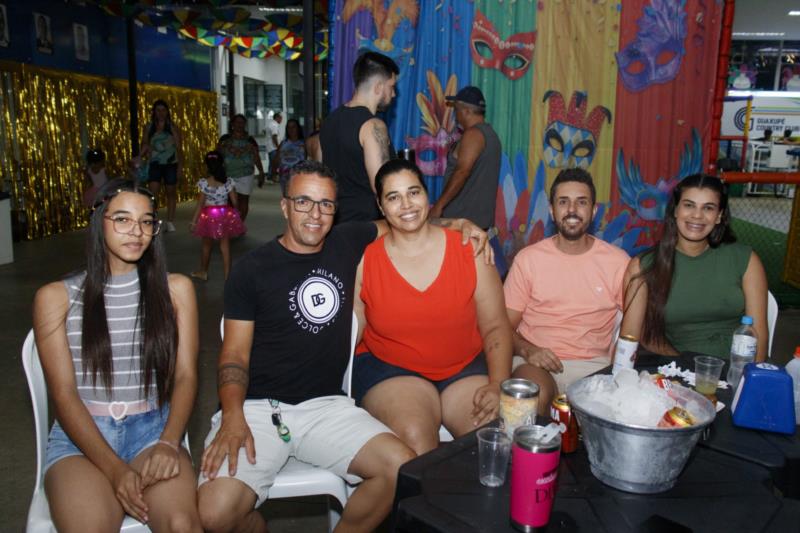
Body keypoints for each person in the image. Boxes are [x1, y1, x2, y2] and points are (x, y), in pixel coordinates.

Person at [196, 160, 488, 533]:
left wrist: (457, 223)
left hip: (326, 407)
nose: (315, 214)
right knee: (215, 515)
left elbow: (405, 219)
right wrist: (233, 414)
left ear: (336, 210)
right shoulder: (251, 270)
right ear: (285, 206)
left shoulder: (346, 242)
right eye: (303, 202)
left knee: (403, 468)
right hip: (257, 408)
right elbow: (234, 355)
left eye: (326, 204)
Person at [32, 179, 201, 531]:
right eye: (122, 219)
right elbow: (63, 394)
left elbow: (186, 375)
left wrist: (169, 442)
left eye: (146, 221)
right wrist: (114, 469)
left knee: (182, 524)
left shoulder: (176, 290)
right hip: (82, 440)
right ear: (99, 222)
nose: (136, 231)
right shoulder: (57, 297)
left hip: (153, 432)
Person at [352, 159, 511, 455]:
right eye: (393, 197)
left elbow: (495, 325)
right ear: (381, 206)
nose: (406, 204)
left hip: (463, 366)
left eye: (413, 192)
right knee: (416, 439)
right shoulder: (365, 260)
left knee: (490, 442)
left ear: (427, 196)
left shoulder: (471, 248)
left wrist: (498, 382)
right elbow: (353, 329)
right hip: (390, 368)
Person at [504, 168, 630, 399]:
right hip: (535, 363)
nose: (572, 210)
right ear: (552, 211)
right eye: (563, 202)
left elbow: (633, 329)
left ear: (593, 211)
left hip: (594, 367)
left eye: (581, 202)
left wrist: (618, 373)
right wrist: (528, 350)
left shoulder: (618, 262)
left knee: (597, 408)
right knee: (534, 396)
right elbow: (501, 326)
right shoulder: (528, 259)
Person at [620, 174, 769, 361]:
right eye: (689, 205)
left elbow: (759, 336)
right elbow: (632, 336)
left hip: (737, 368)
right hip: (677, 367)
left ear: (719, 216)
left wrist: (751, 376)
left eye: (708, 208)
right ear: (675, 210)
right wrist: (685, 365)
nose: (697, 215)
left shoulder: (746, 259)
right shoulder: (643, 265)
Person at [320, 51, 399, 222]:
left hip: (335, 220)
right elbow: (382, 186)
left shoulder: (330, 120)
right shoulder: (373, 126)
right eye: (391, 87)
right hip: (366, 224)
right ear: (378, 87)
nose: (393, 94)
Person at [429, 86, 502, 230]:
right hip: (478, 223)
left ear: (467, 111)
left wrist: (439, 206)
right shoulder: (491, 135)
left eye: (456, 110)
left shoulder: (473, 135)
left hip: (462, 224)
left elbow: (462, 172)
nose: (455, 115)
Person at [189, 151, 246, 281]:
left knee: (206, 244)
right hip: (224, 214)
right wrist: (237, 212)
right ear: (222, 164)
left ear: (207, 166)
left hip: (208, 215)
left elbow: (200, 204)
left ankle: (203, 271)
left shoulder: (204, 183)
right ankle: (227, 277)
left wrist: (193, 222)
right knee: (225, 246)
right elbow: (235, 201)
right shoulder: (228, 182)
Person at [141, 100, 182, 232]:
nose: (161, 113)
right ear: (154, 112)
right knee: (153, 194)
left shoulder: (172, 127)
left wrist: (180, 167)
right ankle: (153, 220)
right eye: (158, 110)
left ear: (167, 112)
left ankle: (170, 221)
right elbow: (144, 144)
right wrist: (140, 155)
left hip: (171, 164)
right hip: (155, 164)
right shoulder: (149, 127)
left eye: (163, 110)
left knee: (171, 192)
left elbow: (179, 148)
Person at [217, 114, 265, 221]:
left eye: (242, 123)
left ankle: (240, 223)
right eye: (237, 122)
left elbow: (256, 157)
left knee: (243, 199)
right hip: (228, 174)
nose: (239, 125)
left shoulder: (250, 140)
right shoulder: (225, 139)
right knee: (229, 200)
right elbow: (218, 156)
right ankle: (230, 222)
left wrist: (261, 172)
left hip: (246, 174)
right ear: (232, 124)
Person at [274, 118, 306, 193]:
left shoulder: (304, 143)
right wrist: (274, 172)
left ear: (298, 128)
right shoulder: (283, 143)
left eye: (293, 127)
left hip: (299, 177)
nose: (291, 129)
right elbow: (276, 159)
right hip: (284, 177)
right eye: (289, 127)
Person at [266, 111, 282, 183]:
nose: (281, 120)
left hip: (270, 147)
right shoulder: (274, 125)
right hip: (273, 147)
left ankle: (270, 176)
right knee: (274, 163)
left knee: (272, 162)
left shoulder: (270, 124)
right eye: (280, 118)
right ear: (277, 118)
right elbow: (274, 137)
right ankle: (272, 177)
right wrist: (278, 147)